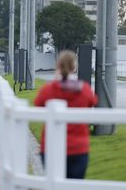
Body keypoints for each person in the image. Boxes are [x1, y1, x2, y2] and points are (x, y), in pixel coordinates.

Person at [34, 50, 98, 179]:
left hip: (51, 147)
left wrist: (55, 80)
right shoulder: (84, 89)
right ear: (74, 67)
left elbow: (38, 104)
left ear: (58, 66)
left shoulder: (49, 89)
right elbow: (93, 101)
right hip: (78, 148)